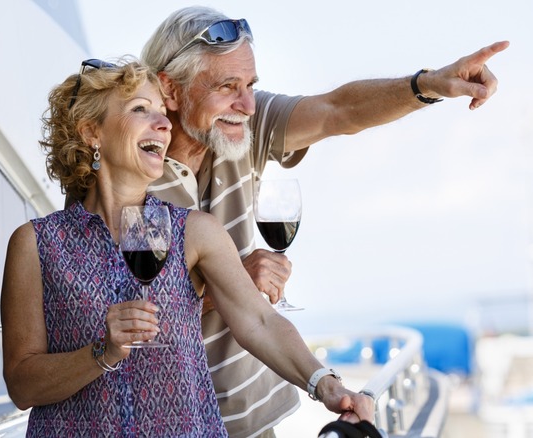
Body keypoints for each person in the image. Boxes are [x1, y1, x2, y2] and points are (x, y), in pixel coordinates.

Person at [140, 6, 509, 437]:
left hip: (252, 422)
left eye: (251, 85)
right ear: (169, 88)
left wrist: (429, 85)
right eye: (227, 86)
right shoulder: (126, 170)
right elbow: (116, 323)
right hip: (166, 423)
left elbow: (338, 110)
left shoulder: (244, 127)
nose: (247, 104)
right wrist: (231, 283)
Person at [0, 59, 373, 437]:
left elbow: (260, 321)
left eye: (162, 112)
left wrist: (328, 386)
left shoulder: (193, 232)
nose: (163, 125)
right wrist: (102, 353)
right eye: (140, 109)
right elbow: (21, 384)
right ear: (91, 132)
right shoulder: (35, 244)